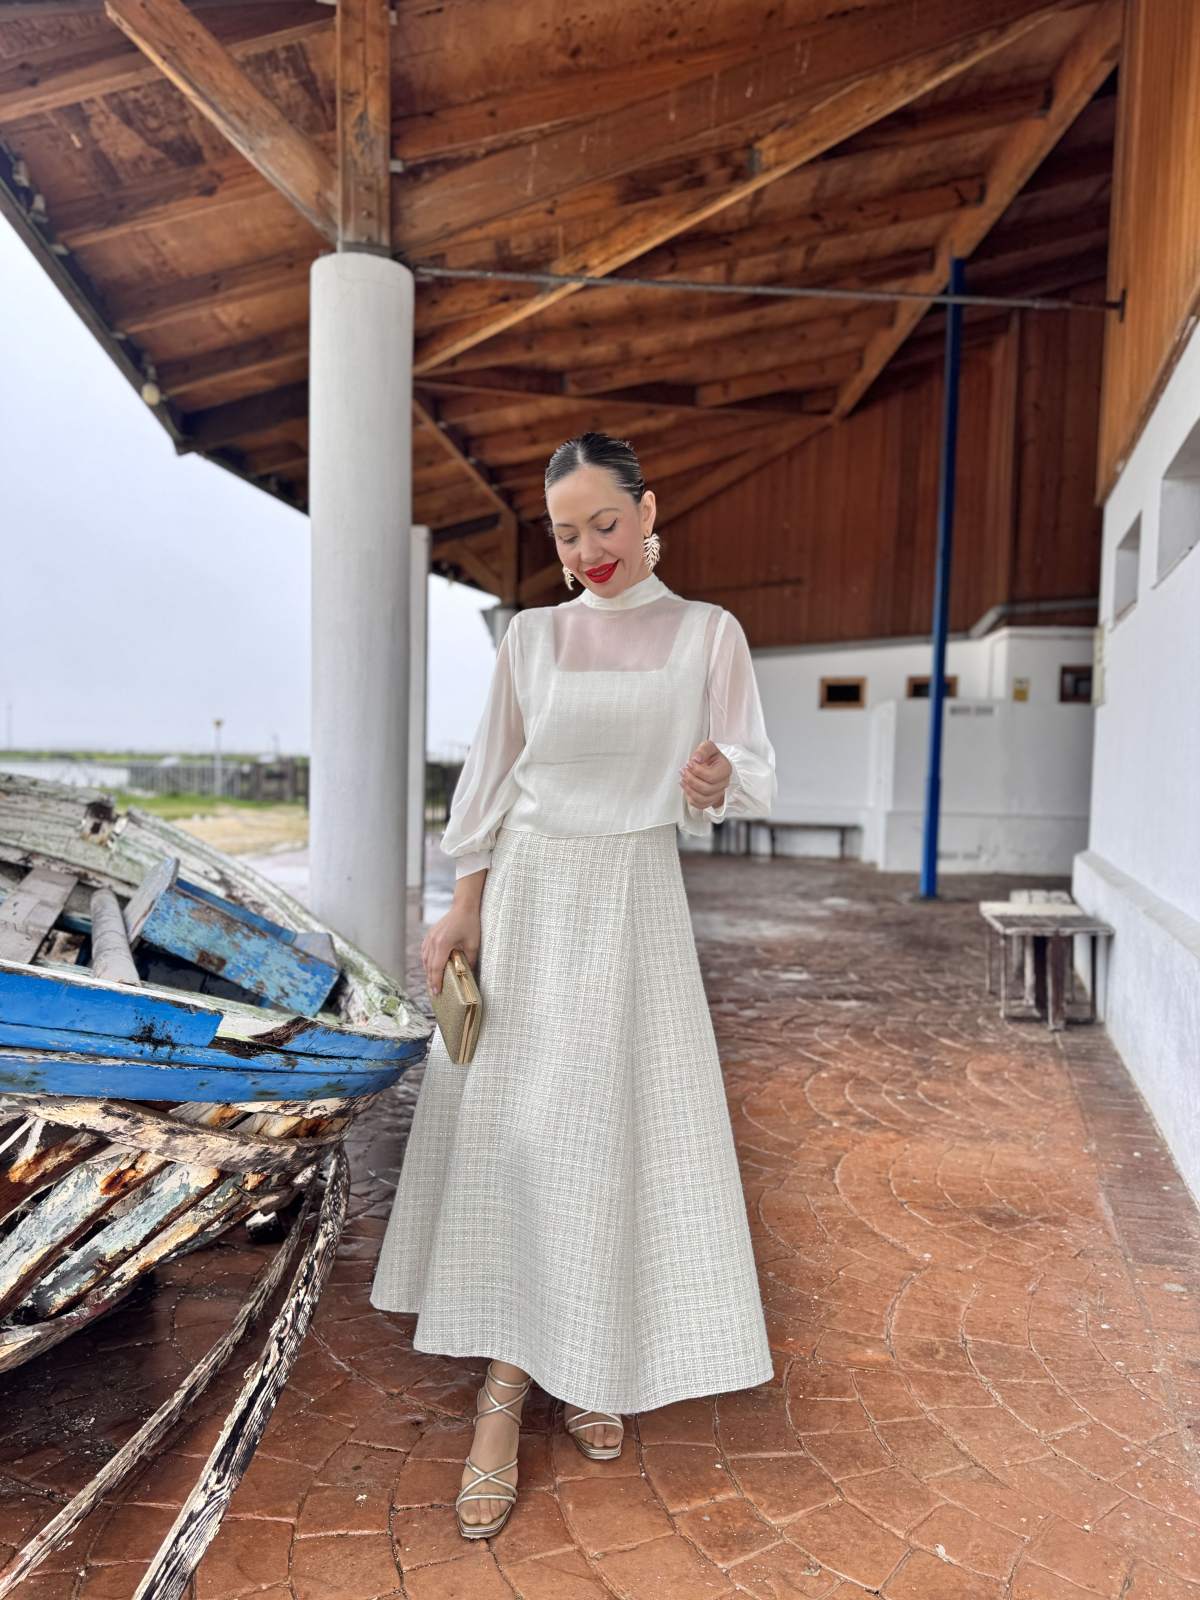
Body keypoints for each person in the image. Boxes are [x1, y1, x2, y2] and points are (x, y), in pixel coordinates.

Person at [371, 431, 777, 1539]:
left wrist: (714, 776)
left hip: (637, 900)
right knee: (523, 1138)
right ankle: (504, 1393)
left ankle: (588, 1359)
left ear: (648, 513)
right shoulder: (534, 638)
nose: (589, 549)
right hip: (533, 897)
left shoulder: (709, 633)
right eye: (565, 534)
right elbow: (491, 777)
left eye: (605, 523)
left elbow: (748, 764)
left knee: (608, 1136)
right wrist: (463, 905)